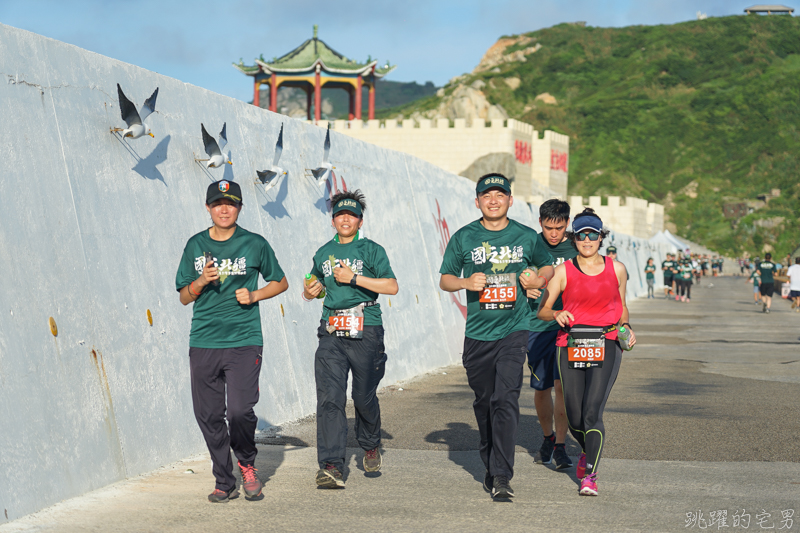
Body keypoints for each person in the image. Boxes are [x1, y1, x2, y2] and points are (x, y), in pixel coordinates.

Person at [439, 173, 554, 499]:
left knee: (506, 398)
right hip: (477, 334)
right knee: (485, 403)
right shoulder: (464, 237)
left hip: (514, 330)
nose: (493, 200)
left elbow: (547, 267)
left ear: (509, 200)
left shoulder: (525, 236)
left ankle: (502, 475)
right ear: (477, 201)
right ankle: (489, 454)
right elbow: (445, 279)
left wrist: (537, 280)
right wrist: (465, 283)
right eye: (486, 196)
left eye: (499, 195)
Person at [176, 180, 289, 503]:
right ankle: (224, 480)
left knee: (239, 411)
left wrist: (254, 294)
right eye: (217, 204)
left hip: (244, 339)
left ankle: (247, 464)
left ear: (239, 208)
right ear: (208, 207)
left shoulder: (255, 244)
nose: (224, 209)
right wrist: (201, 281)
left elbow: (280, 282)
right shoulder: (195, 245)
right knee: (209, 415)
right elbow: (184, 297)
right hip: (204, 341)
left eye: (231, 203)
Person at [303, 190, 398, 489]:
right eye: (340, 214)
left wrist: (354, 279)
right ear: (332, 220)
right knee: (330, 397)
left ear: (360, 220)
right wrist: (311, 290)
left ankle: (370, 443)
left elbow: (392, 286)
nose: (346, 218)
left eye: (352, 214)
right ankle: (331, 465)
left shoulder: (372, 250)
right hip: (331, 329)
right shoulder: (322, 253)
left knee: (362, 396)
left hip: (365, 326)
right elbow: (313, 287)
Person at [537, 208, 635, 497]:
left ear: (601, 237)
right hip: (571, 344)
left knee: (593, 412)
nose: (588, 240)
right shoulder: (563, 271)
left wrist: (626, 325)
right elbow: (542, 309)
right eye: (582, 235)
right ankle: (586, 449)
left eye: (593, 234)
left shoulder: (616, 269)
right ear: (574, 238)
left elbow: (622, 305)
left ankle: (590, 474)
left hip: (606, 343)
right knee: (575, 415)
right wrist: (556, 314)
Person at [525, 199, 577, 471]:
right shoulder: (529, 244)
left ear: (567, 224)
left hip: (569, 326)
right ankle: (547, 438)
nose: (553, 233)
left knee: (562, 387)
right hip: (537, 326)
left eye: (559, 227)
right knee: (542, 387)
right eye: (548, 228)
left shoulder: (577, 246)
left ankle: (560, 445)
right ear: (540, 224)